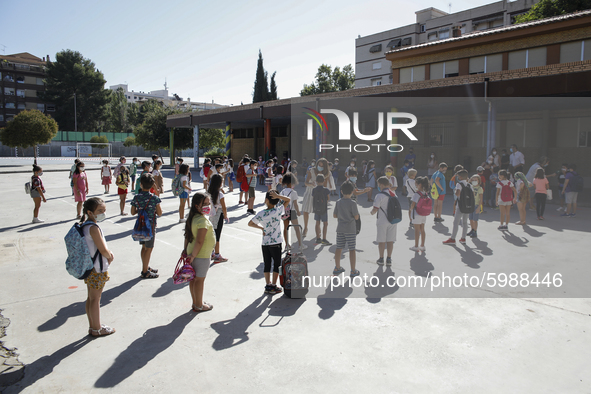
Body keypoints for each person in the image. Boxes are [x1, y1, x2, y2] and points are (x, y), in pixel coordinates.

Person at [80, 197, 116, 337]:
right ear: (90, 212)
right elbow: (103, 250)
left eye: (104, 210)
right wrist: (110, 255)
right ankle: (97, 328)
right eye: (100, 211)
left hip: (90, 267)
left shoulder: (84, 225)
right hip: (97, 268)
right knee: (96, 299)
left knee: (91, 298)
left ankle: (92, 326)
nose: (103, 213)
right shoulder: (93, 228)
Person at [249, 190, 292, 294]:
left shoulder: (261, 213)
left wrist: (261, 228)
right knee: (276, 264)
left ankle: (267, 285)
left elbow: (250, 223)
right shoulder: (278, 211)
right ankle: (273, 285)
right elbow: (288, 200)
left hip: (265, 243)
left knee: (267, 264)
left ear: (266, 200)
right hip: (276, 242)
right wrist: (278, 195)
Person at [184, 192, 215, 312]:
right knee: (199, 280)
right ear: (197, 206)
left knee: (193, 280)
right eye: (204, 204)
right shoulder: (202, 221)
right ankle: (199, 305)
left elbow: (187, 236)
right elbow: (199, 241)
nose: (208, 206)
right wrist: (193, 256)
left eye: (208, 203)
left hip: (193, 254)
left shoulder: (194, 218)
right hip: (200, 256)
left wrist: (187, 252)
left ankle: (196, 302)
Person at [131, 173, 161, 279]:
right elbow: (160, 213)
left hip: (140, 226)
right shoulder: (154, 198)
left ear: (141, 185)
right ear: (152, 185)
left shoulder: (136, 197)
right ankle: (145, 272)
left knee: (144, 247)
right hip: (150, 226)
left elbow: (132, 212)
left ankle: (145, 266)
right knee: (149, 248)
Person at [333, 181, 360, 278]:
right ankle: (353, 270)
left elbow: (334, 215)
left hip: (340, 228)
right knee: (352, 249)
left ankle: (337, 267)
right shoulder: (353, 203)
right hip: (350, 229)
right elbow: (356, 217)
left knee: (339, 248)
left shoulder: (338, 202)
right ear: (352, 191)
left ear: (341, 191)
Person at [370, 176, 397, 265]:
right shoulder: (393, 194)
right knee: (390, 240)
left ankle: (381, 258)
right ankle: (389, 259)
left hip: (382, 221)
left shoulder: (379, 195)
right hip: (392, 220)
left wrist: (371, 213)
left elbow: (375, 209)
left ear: (381, 185)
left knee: (381, 241)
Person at [301, 158, 330, 237]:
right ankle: (305, 227)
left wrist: (326, 198)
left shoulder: (326, 173)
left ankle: (318, 229)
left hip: (320, 194)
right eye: (319, 164)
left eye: (322, 165)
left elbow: (325, 186)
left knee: (319, 212)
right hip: (310, 192)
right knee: (306, 210)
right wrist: (310, 184)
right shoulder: (312, 170)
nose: (320, 166)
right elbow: (306, 182)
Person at [443, 170, 472, 245]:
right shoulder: (469, 185)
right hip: (467, 206)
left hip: (460, 205)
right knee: (465, 222)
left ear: (460, 177)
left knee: (456, 222)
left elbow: (458, 193)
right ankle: (463, 238)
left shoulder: (459, 184)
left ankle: (453, 238)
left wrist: (456, 191)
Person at [280, 173, 306, 251]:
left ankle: (287, 245)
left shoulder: (282, 191)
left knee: (285, 228)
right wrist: (298, 212)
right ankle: (300, 245)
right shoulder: (293, 192)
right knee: (297, 228)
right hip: (292, 212)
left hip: (284, 211)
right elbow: (295, 204)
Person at [207, 174, 229, 263]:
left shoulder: (209, 192)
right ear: (219, 183)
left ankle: (212, 252)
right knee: (217, 236)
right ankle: (217, 254)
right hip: (219, 214)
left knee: (212, 234)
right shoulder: (220, 194)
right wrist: (226, 215)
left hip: (211, 215)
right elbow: (224, 207)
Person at [409, 176, 430, 252]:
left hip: (417, 213)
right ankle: (422, 245)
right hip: (423, 214)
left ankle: (416, 246)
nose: (415, 186)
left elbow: (413, 204)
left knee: (416, 230)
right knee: (422, 229)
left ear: (419, 184)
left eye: (416, 184)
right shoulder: (425, 193)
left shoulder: (416, 194)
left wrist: (410, 210)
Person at [312, 174, 332, 246]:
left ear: (316, 181)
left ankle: (318, 238)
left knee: (317, 223)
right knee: (325, 223)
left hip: (316, 208)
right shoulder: (326, 190)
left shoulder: (314, 189)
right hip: (324, 209)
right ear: (324, 181)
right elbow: (328, 198)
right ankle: (324, 238)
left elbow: (313, 198)